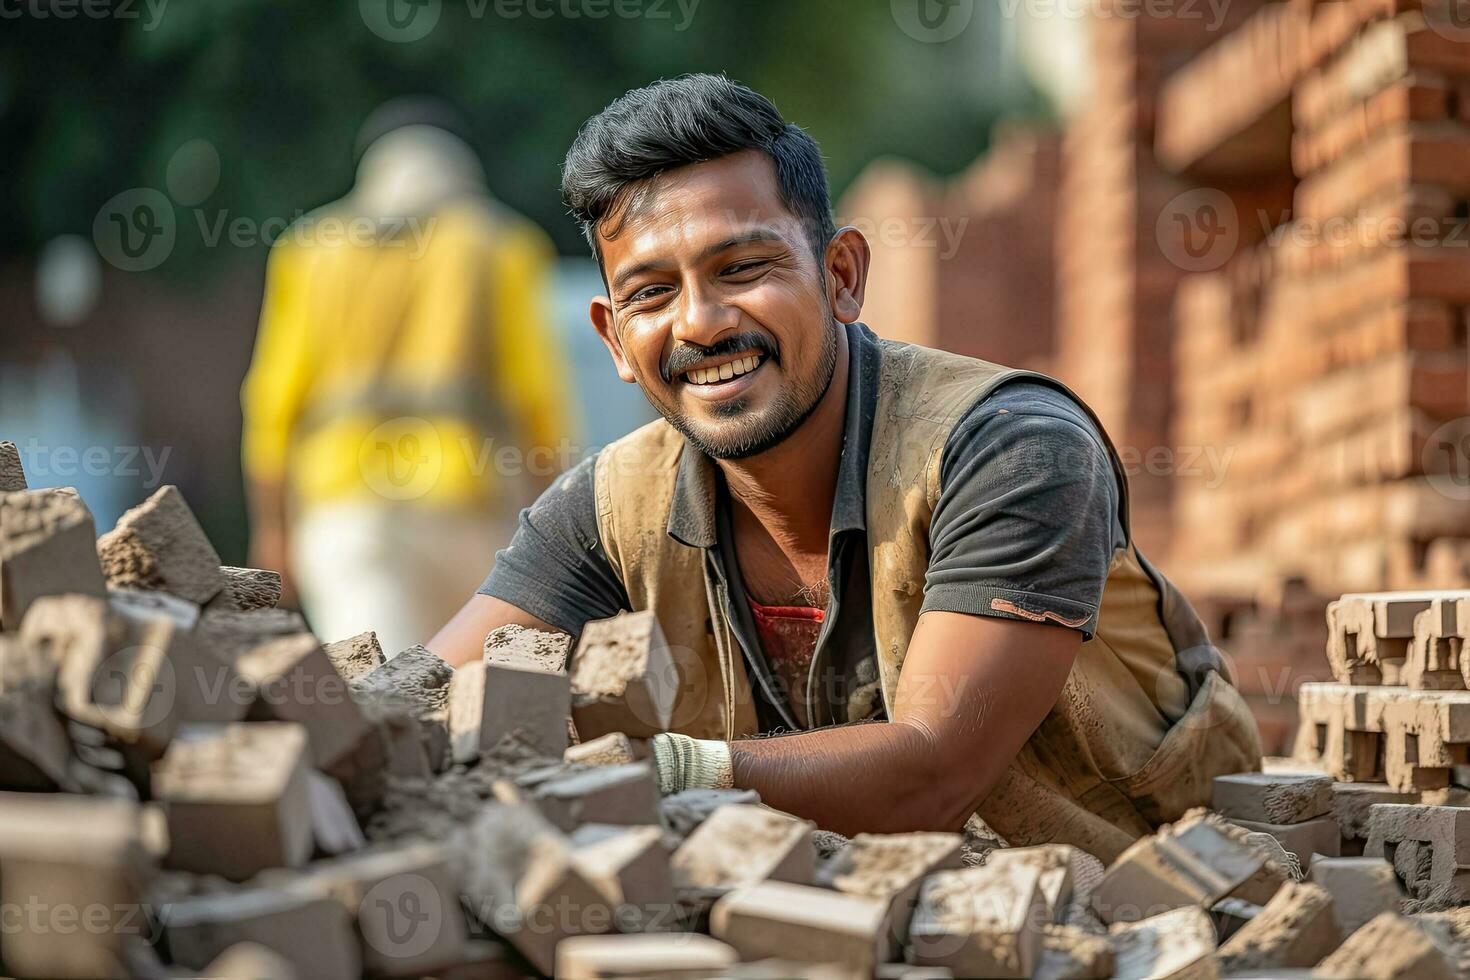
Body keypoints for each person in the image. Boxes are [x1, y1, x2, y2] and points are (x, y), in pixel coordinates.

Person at [429, 74, 1260, 860]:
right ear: (614, 338)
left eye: (743, 269)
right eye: (651, 293)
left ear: (841, 277)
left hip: (1144, 932)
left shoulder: (1011, 450)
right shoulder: (607, 509)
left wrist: (656, 772)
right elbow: (435, 704)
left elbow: (927, 776)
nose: (702, 324)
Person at [242, 100, 572, 657]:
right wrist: (556, 538)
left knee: (379, 691)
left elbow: (271, 407)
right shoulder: (504, 248)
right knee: (484, 703)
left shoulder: (309, 251)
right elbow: (540, 405)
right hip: (472, 515)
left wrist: (271, 529)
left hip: (348, 517)